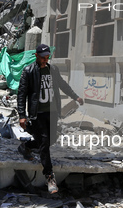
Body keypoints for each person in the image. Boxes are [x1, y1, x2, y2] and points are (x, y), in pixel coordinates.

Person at [17, 44, 84, 194]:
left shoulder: (53, 69)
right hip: (38, 113)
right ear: (36, 55)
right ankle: (49, 177)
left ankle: (26, 146)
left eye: (47, 57)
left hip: (52, 112)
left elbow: (62, 85)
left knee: (51, 139)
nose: (45, 60)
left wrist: (75, 97)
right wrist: (22, 115)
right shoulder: (28, 71)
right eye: (42, 57)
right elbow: (21, 94)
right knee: (45, 143)